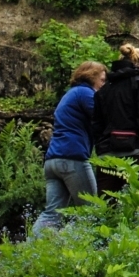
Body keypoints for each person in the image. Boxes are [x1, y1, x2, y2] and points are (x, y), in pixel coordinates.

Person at [33, 61, 104, 232]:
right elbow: (102, 117)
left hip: (52, 160)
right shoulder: (85, 93)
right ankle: (66, 245)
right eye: (102, 80)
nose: (104, 85)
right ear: (92, 77)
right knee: (91, 210)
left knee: (51, 214)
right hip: (73, 158)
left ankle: (29, 252)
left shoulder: (69, 94)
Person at [91, 43, 139, 191]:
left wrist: (101, 148)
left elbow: (96, 124)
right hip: (134, 152)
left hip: (107, 156)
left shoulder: (104, 88)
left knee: (106, 207)